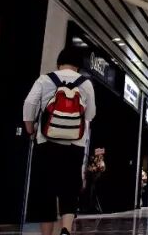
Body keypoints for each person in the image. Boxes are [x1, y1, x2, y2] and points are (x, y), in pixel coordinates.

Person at [23, 46, 96, 235]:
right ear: (78, 66)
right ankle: (65, 229)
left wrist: (30, 127)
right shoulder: (86, 84)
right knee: (69, 187)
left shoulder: (45, 79)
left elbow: (29, 103)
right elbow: (90, 114)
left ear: (59, 63)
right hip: (74, 144)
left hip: (46, 142)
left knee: (45, 189)